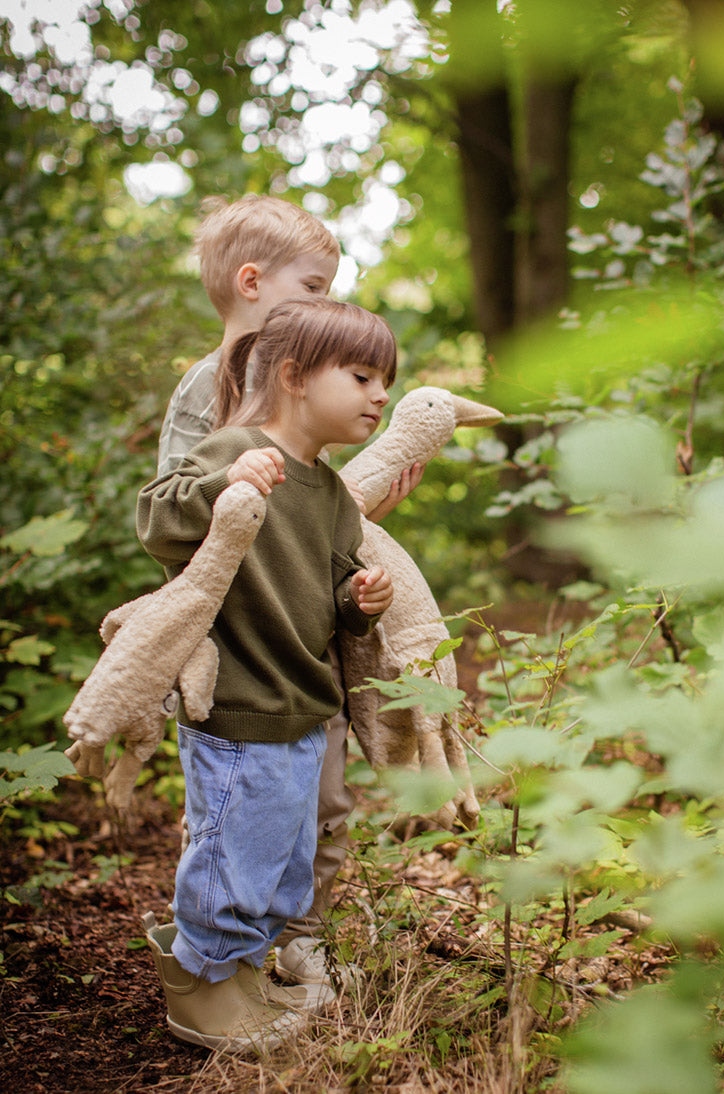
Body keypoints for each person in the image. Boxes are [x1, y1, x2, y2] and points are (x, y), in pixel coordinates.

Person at [157, 194, 422, 994]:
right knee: (247, 803)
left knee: (320, 792)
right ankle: (214, 958)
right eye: (314, 288)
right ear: (251, 282)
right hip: (241, 646)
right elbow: (181, 508)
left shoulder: (318, 401)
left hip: (307, 643)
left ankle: (304, 928)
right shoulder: (212, 389)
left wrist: (360, 557)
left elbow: (308, 514)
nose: (328, 304)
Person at [137, 296, 396, 1049]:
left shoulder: (334, 495)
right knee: (234, 854)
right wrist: (227, 484)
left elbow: (337, 596)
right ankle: (199, 989)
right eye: (362, 375)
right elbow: (156, 520)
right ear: (292, 376)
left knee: (280, 857)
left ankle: (245, 971)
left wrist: (361, 598)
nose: (381, 395)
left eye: (386, 380)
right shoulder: (234, 449)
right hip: (240, 701)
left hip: (302, 705)